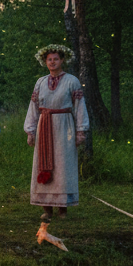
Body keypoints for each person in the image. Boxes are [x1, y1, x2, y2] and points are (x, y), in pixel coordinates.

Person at [24, 45, 90, 220]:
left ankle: (62, 209)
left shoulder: (72, 81)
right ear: (45, 62)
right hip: (44, 127)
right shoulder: (40, 82)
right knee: (43, 163)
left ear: (62, 60)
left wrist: (81, 130)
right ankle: (47, 208)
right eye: (49, 59)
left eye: (56, 59)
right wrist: (30, 130)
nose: (52, 62)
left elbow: (79, 107)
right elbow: (33, 107)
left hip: (64, 127)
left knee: (63, 164)